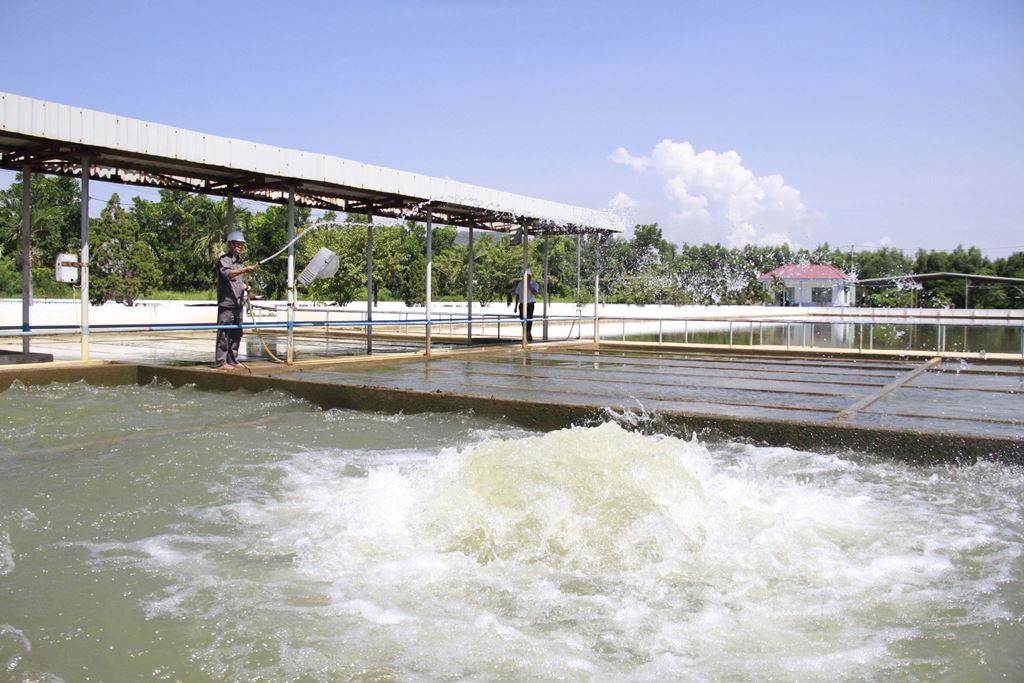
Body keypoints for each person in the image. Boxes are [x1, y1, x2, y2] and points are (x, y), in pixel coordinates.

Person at [215, 230, 256, 370]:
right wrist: (244, 270)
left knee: (237, 332)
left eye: (242, 244)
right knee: (224, 333)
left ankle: (233, 360)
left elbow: (237, 281)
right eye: (238, 244)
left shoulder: (240, 262)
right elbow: (228, 274)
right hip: (227, 303)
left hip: (238, 303)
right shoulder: (224, 260)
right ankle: (221, 362)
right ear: (231, 244)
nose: (240, 247)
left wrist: (246, 286)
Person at [512, 269, 542, 342]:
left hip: (530, 304)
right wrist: (515, 306)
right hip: (522, 304)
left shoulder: (534, 284)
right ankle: (528, 334)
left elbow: (536, 294)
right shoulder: (520, 284)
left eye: (527, 276)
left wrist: (529, 286)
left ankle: (527, 336)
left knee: (529, 320)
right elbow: (517, 295)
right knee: (522, 320)